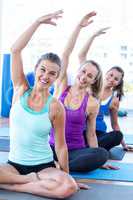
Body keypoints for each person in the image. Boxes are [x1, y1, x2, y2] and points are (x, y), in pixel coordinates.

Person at [0, 10, 79, 199]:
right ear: (36, 69)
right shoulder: (20, 89)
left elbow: (60, 146)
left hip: (43, 166)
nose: (45, 76)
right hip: (14, 164)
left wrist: (67, 176)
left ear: (56, 77)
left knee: (68, 187)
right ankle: (27, 181)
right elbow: (15, 50)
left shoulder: (55, 107)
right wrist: (37, 22)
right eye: (42, 69)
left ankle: (13, 186)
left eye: (52, 73)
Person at [49, 12, 109, 172]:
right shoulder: (62, 86)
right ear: (78, 70)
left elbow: (90, 134)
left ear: (93, 80)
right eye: (83, 72)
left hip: (75, 152)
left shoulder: (92, 103)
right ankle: (56, 165)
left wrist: (98, 158)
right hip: (52, 148)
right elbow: (65, 54)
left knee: (101, 154)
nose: (84, 77)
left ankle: (57, 167)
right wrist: (79, 27)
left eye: (89, 76)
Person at [78, 27, 133, 152]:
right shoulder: (91, 84)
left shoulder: (114, 100)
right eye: (111, 74)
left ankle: (91, 148)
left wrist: (124, 145)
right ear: (106, 73)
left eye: (116, 78)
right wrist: (93, 36)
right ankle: (90, 148)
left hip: (100, 134)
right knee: (82, 136)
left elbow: (114, 124)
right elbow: (81, 55)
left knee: (117, 136)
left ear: (118, 83)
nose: (112, 78)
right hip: (83, 131)